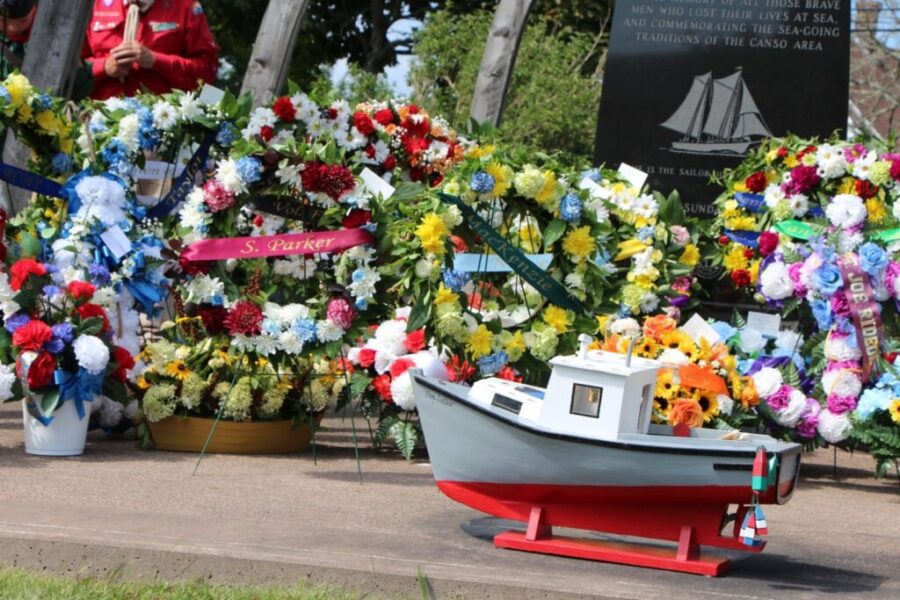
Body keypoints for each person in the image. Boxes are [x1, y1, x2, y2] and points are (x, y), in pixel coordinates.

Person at [83, 0, 219, 100]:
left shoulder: (186, 7)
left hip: (159, 127)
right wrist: (103, 67)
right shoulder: (92, 5)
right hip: (97, 124)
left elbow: (207, 73)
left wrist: (156, 61)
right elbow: (68, 67)